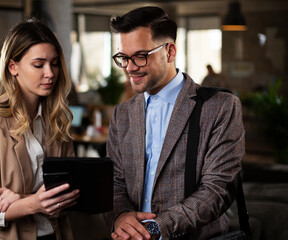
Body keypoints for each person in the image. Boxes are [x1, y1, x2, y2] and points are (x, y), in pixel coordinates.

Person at [105, 6, 245, 240]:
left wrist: (157, 228)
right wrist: (120, 216)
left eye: (140, 56)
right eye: (124, 57)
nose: (129, 67)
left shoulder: (220, 106)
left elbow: (217, 190)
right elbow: (114, 182)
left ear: (170, 52)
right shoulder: (123, 114)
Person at [0, 19, 80, 240]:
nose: (50, 73)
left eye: (54, 63)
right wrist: (32, 204)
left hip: (55, 234)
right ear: (13, 67)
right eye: (39, 64)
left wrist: (21, 198)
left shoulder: (57, 120)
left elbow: (70, 191)